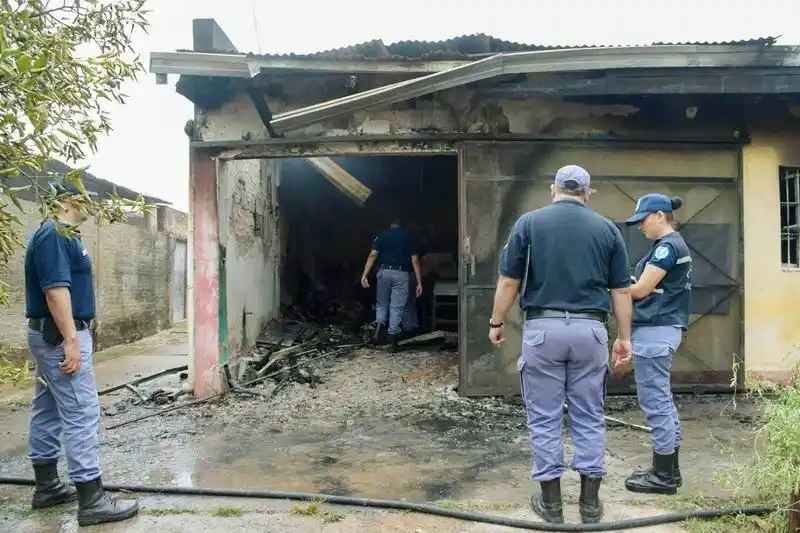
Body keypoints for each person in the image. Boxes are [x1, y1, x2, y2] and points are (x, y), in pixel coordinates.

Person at [489, 165, 633, 525]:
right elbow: (621, 290)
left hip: (543, 331)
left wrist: (497, 322)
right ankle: (590, 505)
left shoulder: (529, 223)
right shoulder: (607, 229)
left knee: (544, 416)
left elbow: (509, 282)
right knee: (589, 415)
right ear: (588, 193)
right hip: (590, 332)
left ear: (552, 190)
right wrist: (624, 337)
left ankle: (551, 505)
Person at [24, 180, 139, 526]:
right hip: (60, 337)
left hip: (53, 335)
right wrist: (71, 340)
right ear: (70, 198)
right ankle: (92, 501)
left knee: (47, 408)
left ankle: (47, 488)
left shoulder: (62, 234)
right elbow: (56, 291)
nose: (95, 202)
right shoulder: (55, 235)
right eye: (90, 196)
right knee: (81, 411)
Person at [618, 194, 691, 495]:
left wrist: (614, 287)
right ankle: (668, 470)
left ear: (660, 216)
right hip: (661, 330)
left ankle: (663, 477)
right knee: (663, 402)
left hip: (655, 332)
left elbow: (642, 289)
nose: (640, 227)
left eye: (643, 220)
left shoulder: (667, 248)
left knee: (656, 403)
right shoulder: (670, 246)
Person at [361, 216, 423, 352]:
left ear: (390, 224)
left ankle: (378, 330)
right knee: (397, 306)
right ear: (403, 224)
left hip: (384, 273)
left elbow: (372, 255)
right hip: (402, 274)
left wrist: (365, 274)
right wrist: (419, 282)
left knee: (382, 303)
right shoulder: (409, 237)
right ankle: (393, 341)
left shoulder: (382, 236)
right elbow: (415, 261)